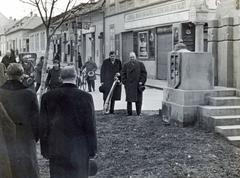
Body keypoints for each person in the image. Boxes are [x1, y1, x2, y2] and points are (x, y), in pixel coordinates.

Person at [40, 65, 97, 178]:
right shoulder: (86, 97)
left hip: (57, 149)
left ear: (61, 77)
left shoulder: (48, 97)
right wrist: (92, 150)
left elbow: (43, 126)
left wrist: (45, 150)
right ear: (75, 77)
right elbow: (90, 125)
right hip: (79, 149)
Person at [0, 63, 40, 178]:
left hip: (4, 138)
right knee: (26, 170)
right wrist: (34, 137)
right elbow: (36, 119)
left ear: (7, 75)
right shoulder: (29, 94)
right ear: (22, 75)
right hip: (25, 138)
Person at [121, 52, 147, 116]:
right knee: (129, 100)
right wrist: (125, 82)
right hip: (129, 85)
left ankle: (139, 112)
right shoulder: (126, 65)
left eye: (133, 57)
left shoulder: (140, 64)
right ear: (129, 58)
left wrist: (141, 81)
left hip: (138, 85)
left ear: (135, 57)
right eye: (130, 57)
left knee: (139, 100)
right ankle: (129, 113)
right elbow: (123, 74)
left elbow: (144, 74)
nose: (132, 58)